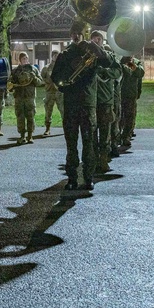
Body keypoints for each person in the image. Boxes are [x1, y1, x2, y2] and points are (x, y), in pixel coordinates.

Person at [52, 28, 115, 190]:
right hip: (71, 103)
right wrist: (68, 77)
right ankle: (72, 178)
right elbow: (55, 78)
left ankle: (88, 177)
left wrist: (96, 48)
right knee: (71, 144)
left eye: (79, 33)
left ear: (83, 35)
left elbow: (109, 62)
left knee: (89, 143)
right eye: (74, 33)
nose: (77, 36)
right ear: (71, 35)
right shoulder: (65, 55)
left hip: (88, 104)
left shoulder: (92, 52)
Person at [93, 38, 122, 172]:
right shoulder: (92, 62)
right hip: (93, 103)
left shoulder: (110, 65)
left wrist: (104, 71)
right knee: (92, 136)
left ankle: (103, 161)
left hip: (105, 103)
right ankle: (92, 161)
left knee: (105, 136)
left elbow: (118, 73)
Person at [8, 52, 44, 144]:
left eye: (26, 58)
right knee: (20, 117)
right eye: (23, 58)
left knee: (30, 116)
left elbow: (40, 82)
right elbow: (10, 84)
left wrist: (34, 77)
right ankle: (22, 136)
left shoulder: (33, 69)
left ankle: (30, 136)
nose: (25, 60)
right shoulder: (15, 71)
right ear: (20, 60)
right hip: (19, 97)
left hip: (29, 97)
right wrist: (11, 87)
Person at [118, 55, 145, 148]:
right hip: (119, 94)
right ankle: (117, 136)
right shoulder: (118, 60)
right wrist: (122, 62)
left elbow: (140, 73)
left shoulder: (136, 62)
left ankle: (126, 137)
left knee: (130, 117)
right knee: (119, 118)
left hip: (130, 94)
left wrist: (130, 64)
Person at [41, 50, 63, 136]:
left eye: (57, 55)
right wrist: (47, 82)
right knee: (48, 111)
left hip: (59, 92)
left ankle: (65, 128)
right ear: (52, 56)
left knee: (63, 111)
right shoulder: (46, 68)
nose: (56, 57)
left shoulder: (62, 67)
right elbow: (41, 79)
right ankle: (47, 129)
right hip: (50, 92)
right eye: (54, 55)